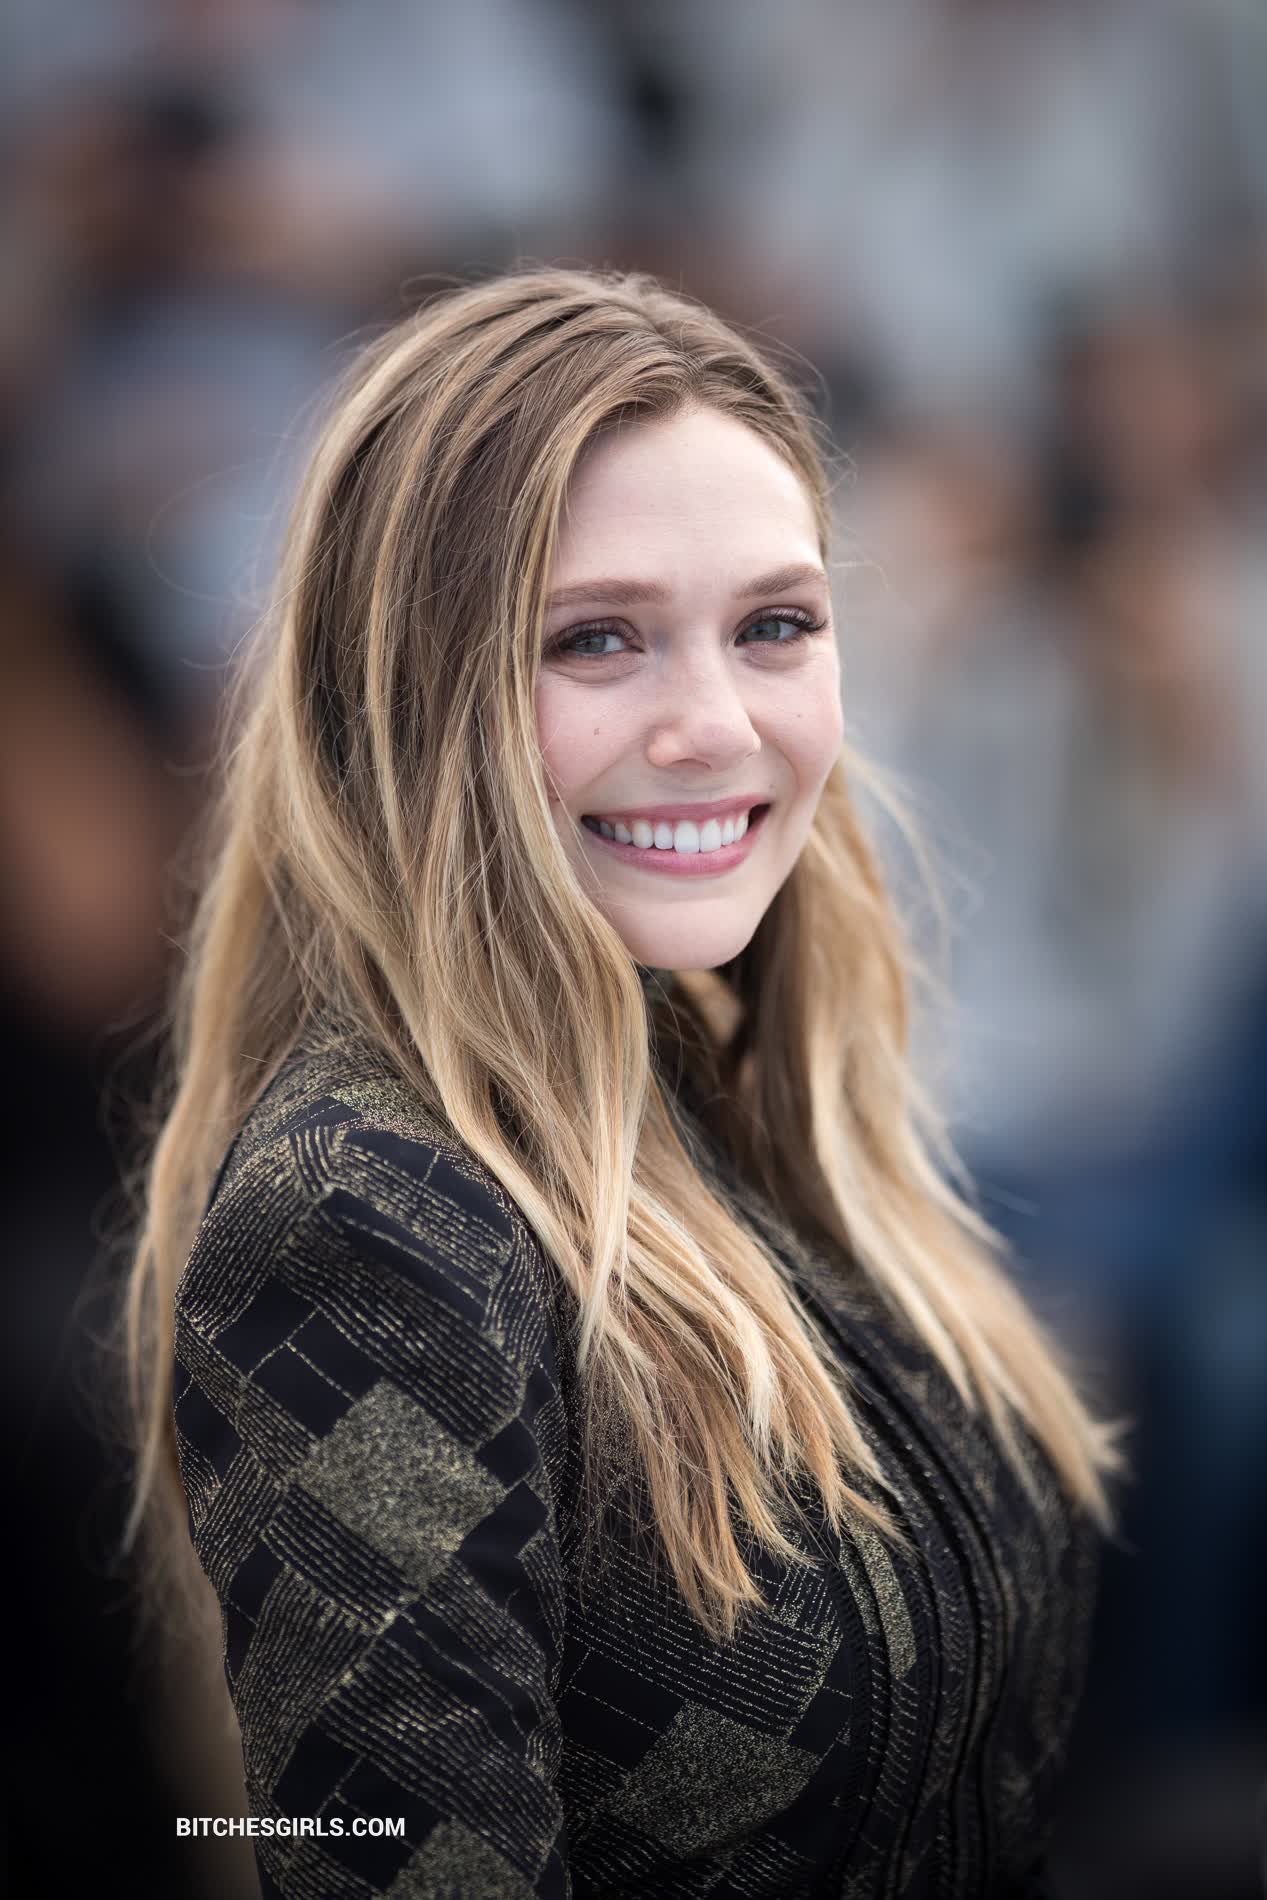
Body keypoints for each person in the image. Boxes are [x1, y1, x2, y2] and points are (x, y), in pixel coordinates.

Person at [117, 266, 1129, 1898]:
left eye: (776, 626)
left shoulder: (737, 1074)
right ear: (407, 693)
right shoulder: (361, 1215)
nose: (714, 726)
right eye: (596, 641)